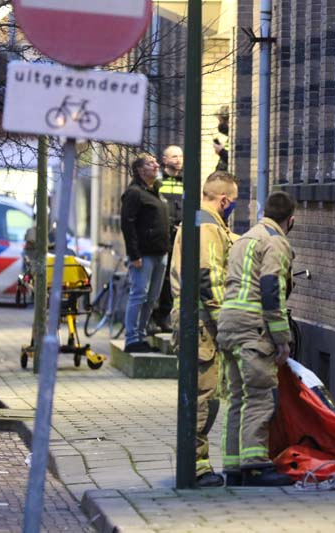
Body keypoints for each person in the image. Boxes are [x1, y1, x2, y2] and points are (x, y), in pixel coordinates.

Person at [216, 191, 296, 487]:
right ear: (291, 220)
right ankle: (255, 464)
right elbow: (271, 289)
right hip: (254, 328)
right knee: (261, 396)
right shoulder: (276, 241)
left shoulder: (244, 238)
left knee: (237, 397)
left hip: (229, 325)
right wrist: (282, 337)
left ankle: (234, 465)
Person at [170, 170, 238, 487]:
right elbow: (210, 277)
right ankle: (195, 466)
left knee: (204, 393)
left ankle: (195, 461)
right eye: (233, 202)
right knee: (203, 395)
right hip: (202, 324)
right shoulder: (207, 226)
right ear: (223, 200)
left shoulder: (204, 222)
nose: (232, 207)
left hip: (195, 321)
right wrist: (227, 321)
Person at [120, 153, 170, 353]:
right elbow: (127, 224)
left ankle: (141, 336)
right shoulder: (134, 193)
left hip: (160, 253)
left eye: (155, 162)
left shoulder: (156, 191)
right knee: (138, 295)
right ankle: (132, 339)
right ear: (140, 170)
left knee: (151, 298)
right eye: (151, 163)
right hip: (143, 255)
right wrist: (134, 255)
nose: (156, 165)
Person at [150, 145, 185, 334]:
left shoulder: (187, 181)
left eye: (180, 156)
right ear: (164, 160)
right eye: (174, 156)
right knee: (159, 277)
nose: (178, 159)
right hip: (161, 235)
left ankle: (166, 316)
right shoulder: (158, 181)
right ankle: (153, 317)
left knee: (173, 276)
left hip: (179, 235)